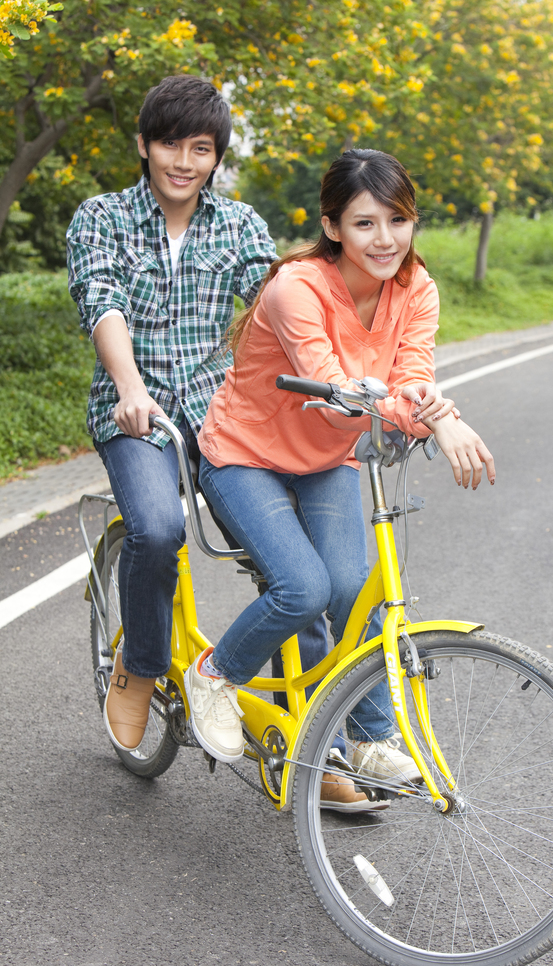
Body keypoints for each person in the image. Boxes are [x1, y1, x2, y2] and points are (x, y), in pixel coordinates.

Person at [187, 149, 496, 812]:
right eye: (364, 224)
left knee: (354, 591)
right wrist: (432, 418)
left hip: (326, 460)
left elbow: (413, 373)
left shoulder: (416, 289)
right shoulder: (295, 286)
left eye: (397, 219)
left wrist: (434, 411)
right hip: (245, 455)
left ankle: (367, 739)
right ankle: (215, 675)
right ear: (332, 227)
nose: (384, 239)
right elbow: (333, 392)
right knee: (302, 588)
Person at [66, 76, 327, 769]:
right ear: (144, 145)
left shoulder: (239, 225)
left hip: (224, 417)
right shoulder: (102, 218)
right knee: (157, 529)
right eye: (171, 145)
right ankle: (141, 665)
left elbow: (273, 304)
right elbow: (102, 302)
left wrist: (324, 374)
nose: (184, 162)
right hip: (137, 412)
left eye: (201, 149)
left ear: (216, 158)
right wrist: (129, 387)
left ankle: (310, 735)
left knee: (291, 559)